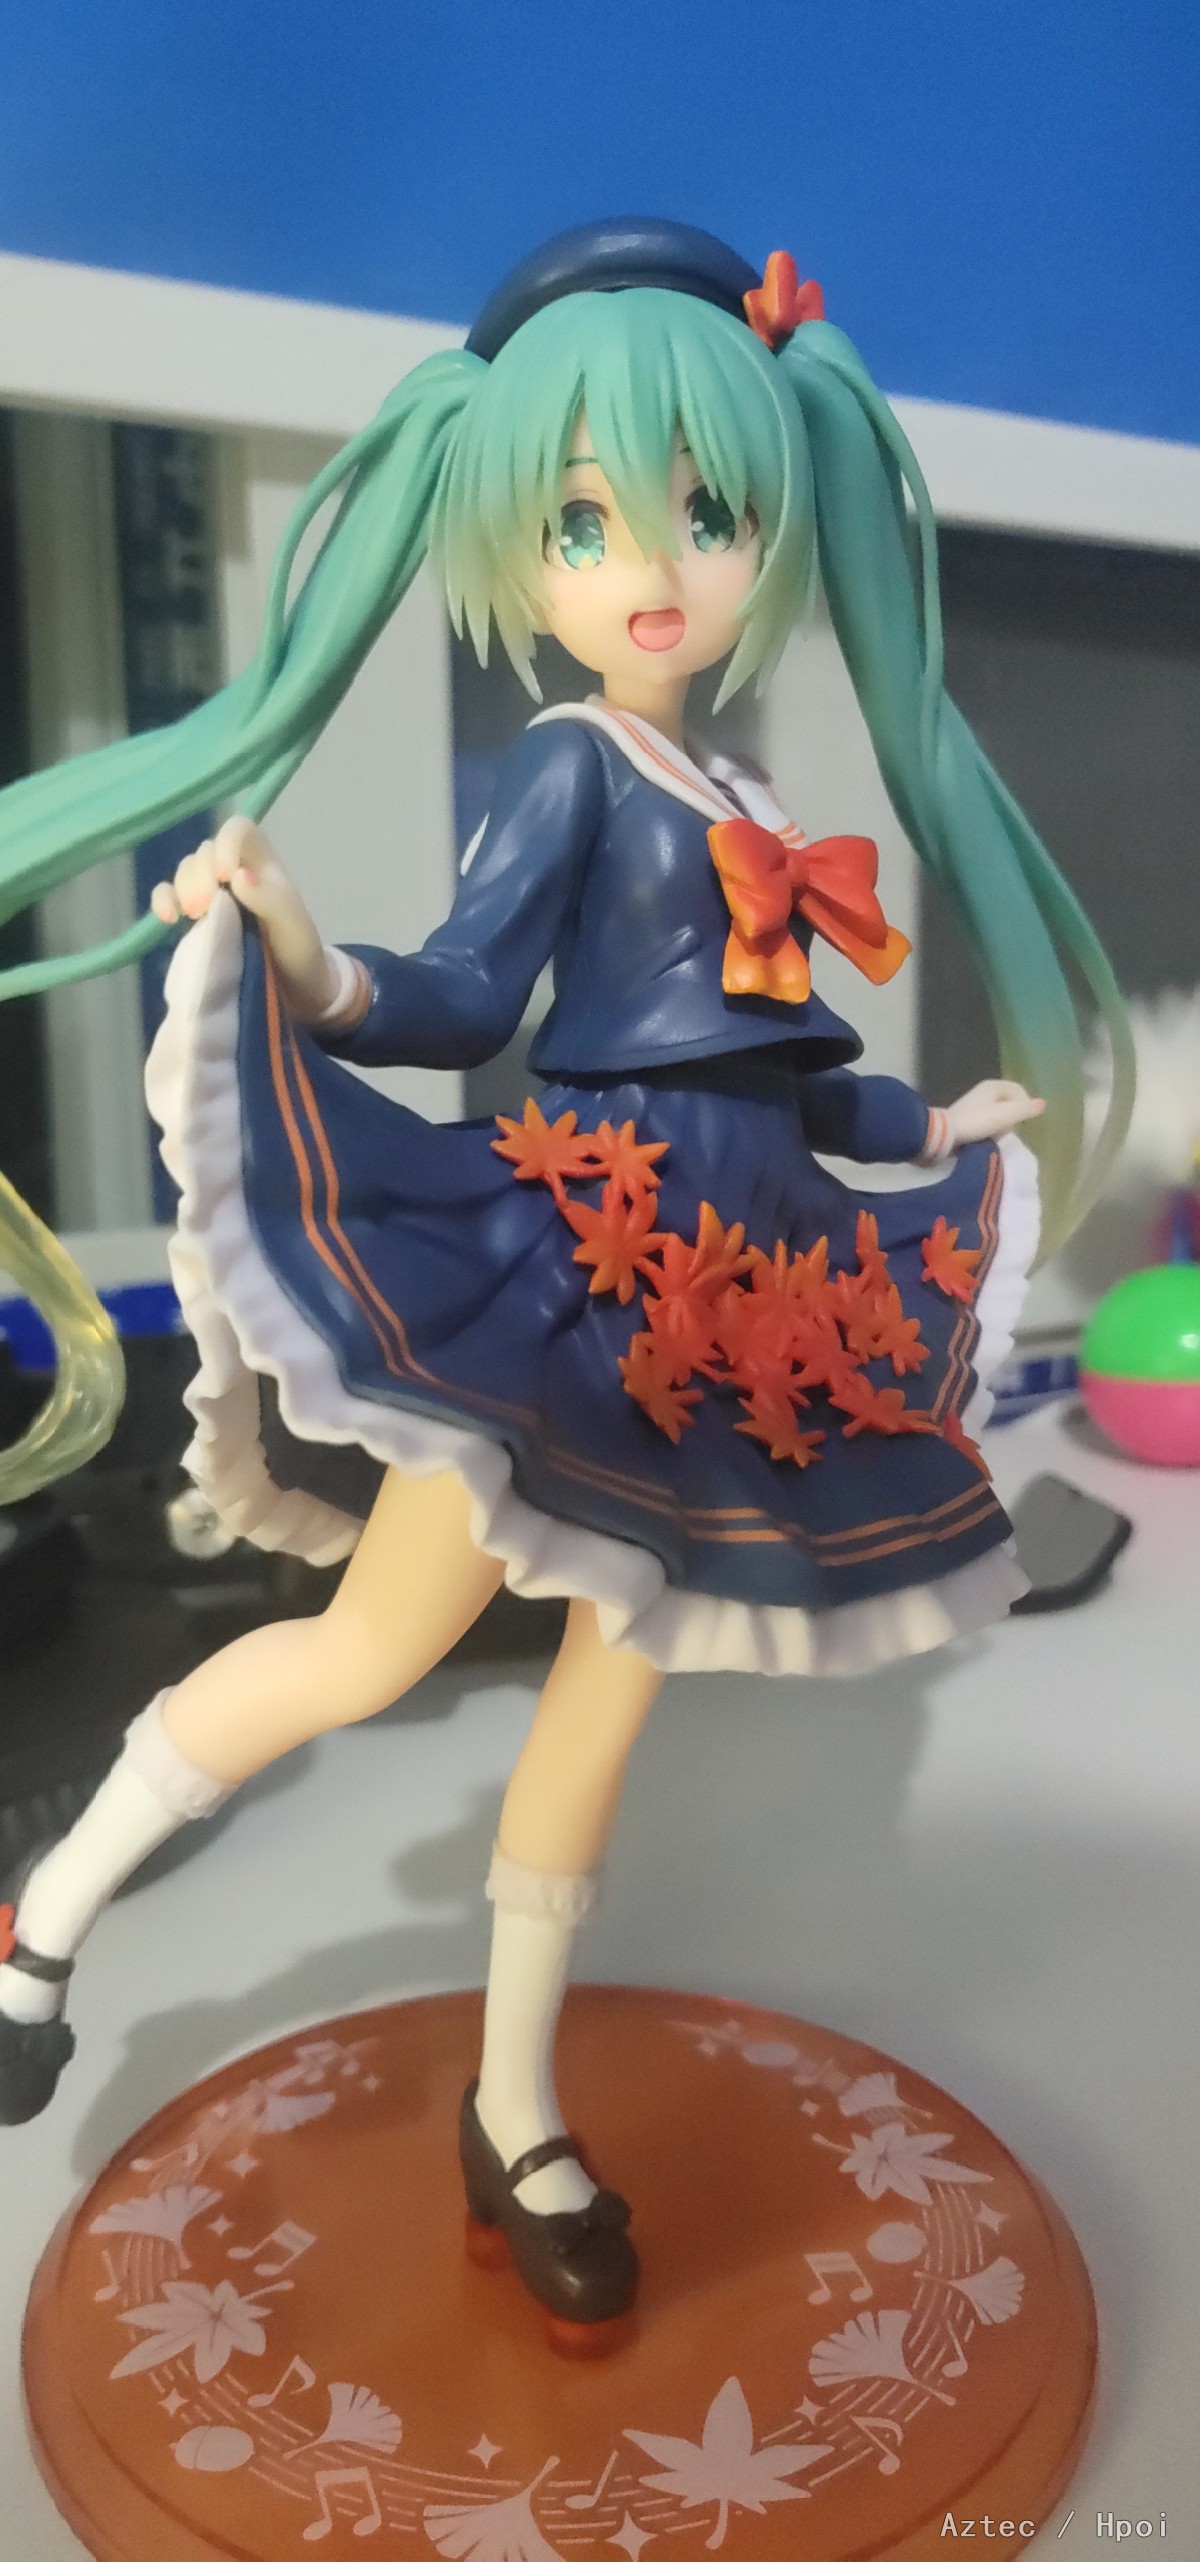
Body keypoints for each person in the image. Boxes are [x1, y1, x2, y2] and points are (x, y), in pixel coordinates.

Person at [0, 220, 1131, 2340]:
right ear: (518, 551)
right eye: (589, 521)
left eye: (703, 512)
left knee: (602, 1722)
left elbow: (791, 1076)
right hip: (582, 1271)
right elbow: (460, 992)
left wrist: (933, 1129)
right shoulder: (573, 761)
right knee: (371, 1651)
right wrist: (303, 950)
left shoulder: (754, 796)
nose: (654, 567)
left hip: (738, 1298)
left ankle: (514, 2110)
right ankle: (42, 1915)